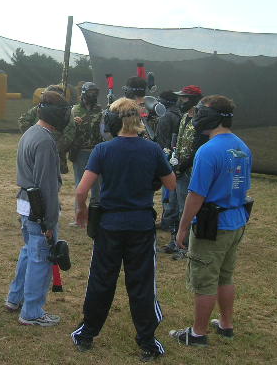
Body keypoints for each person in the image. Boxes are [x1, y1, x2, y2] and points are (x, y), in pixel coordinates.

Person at [70, 98, 176, 361]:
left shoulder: (103, 149)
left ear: (113, 120)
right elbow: (172, 184)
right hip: (141, 225)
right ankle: (148, 342)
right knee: (142, 283)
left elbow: (82, 190)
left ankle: (87, 334)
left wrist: (81, 209)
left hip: (109, 225)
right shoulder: (152, 150)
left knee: (101, 279)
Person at [169, 95, 252, 347]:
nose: (196, 115)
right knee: (225, 276)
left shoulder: (207, 151)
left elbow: (196, 196)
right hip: (236, 220)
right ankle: (226, 325)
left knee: (205, 279)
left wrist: (182, 229)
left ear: (214, 116)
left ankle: (198, 333)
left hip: (211, 225)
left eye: (201, 111)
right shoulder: (242, 146)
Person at [5, 91, 70, 326]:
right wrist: (50, 222)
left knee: (29, 252)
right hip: (38, 208)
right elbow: (46, 186)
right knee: (41, 258)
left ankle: (15, 298)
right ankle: (31, 311)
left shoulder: (31, 133)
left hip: (26, 205)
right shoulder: (44, 141)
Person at [168, 85, 206, 259]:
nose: (180, 101)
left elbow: (197, 149)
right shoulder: (184, 117)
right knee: (174, 205)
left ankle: (187, 247)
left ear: (193, 100)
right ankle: (175, 242)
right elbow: (180, 141)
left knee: (187, 208)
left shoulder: (201, 120)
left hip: (190, 171)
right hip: (179, 169)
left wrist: (181, 167)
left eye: (183, 98)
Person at [59, 82, 103, 226]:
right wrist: (73, 123)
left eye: (95, 92)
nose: (93, 95)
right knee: (80, 185)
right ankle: (79, 218)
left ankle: (95, 218)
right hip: (80, 152)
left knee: (97, 186)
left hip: (97, 151)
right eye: (90, 92)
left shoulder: (101, 111)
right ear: (83, 93)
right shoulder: (74, 110)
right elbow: (65, 129)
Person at [18, 84, 70, 174]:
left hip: (57, 150)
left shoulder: (64, 112)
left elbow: (69, 133)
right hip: (41, 146)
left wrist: (55, 148)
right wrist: (34, 136)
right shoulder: (39, 108)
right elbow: (23, 121)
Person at [155, 91, 182, 232]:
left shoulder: (166, 116)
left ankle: (168, 222)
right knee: (175, 190)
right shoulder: (180, 114)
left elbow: (161, 140)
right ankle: (172, 220)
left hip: (167, 157)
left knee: (168, 191)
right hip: (177, 156)